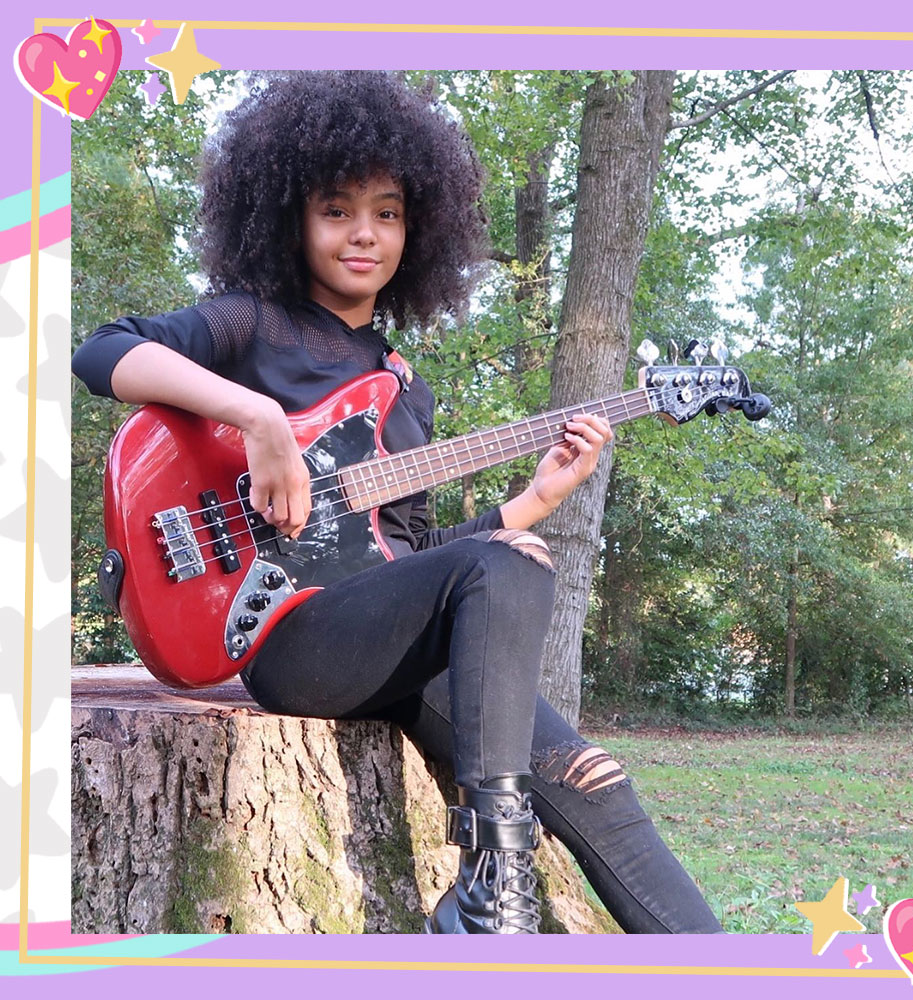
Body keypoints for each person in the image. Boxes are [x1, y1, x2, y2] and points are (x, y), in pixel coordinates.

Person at [72, 71, 722, 935]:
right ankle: (498, 890)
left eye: (387, 212)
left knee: (591, 777)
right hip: (284, 635)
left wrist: (532, 499)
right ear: (289, 219)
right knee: (502, 568)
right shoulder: (251, 322)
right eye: (337, 209)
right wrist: (257, 417)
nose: (363, 234)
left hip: (383, 638)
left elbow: (413, 563)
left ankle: (689, 953)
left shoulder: (400, 391)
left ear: (418, 230)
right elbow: (101, 351)